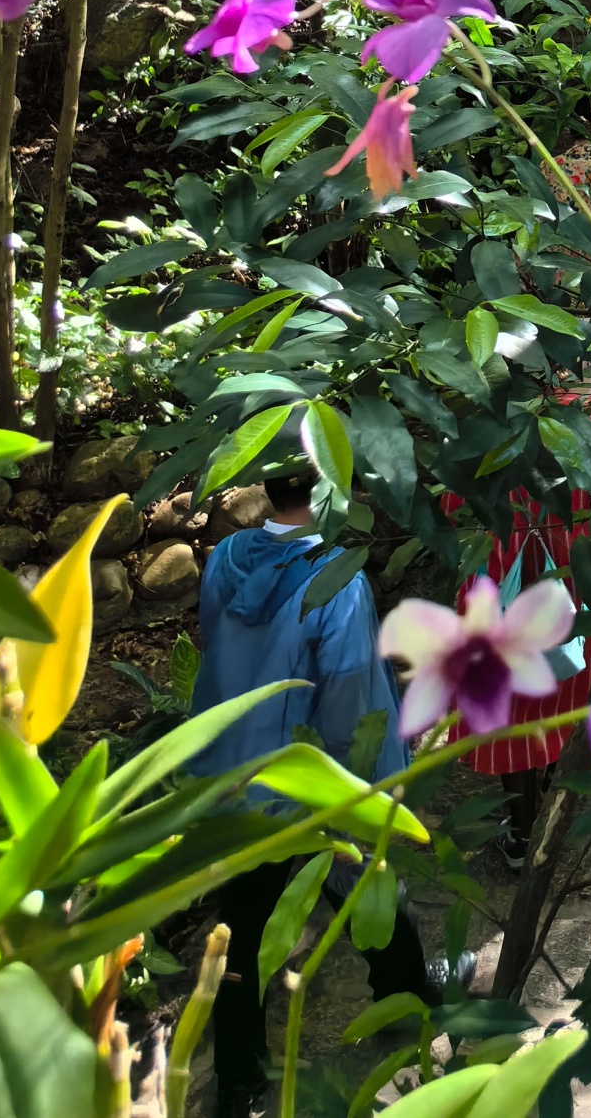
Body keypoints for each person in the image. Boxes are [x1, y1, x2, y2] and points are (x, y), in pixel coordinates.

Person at [189, 466, 445, 1118]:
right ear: (331, 490)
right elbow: (348, 695)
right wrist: (358, 783)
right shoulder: (339, 584)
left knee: (245, 924)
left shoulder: (225, 562)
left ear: (268, 493)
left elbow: (219, 647)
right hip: (311, 776)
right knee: (365, 887)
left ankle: (238, 1078)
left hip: (237, 771)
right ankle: (407, 1004)